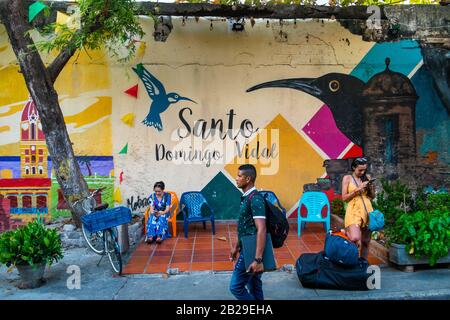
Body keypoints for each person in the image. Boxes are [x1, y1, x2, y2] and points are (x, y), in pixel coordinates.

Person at [229, 164, 267, 300]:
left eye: (239, 176)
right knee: (254, 285)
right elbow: (244, 227)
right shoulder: (246, 197)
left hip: (252, 251)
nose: (236, 178)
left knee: (236, 287)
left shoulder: (255, 198)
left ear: (248, 179)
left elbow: (261, 228)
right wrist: (236, 247)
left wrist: (257, 259)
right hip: (246, 246)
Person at [341, 157, 376, 259]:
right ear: (353, 168)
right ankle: (352, 262)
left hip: (367, 210)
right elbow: (344, 198)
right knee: (355, 238)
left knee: (365, 241)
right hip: (353, 210)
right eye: (360, 170)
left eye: (364, 169)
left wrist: (371, 189)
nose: (362, 172)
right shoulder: (347, 178)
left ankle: (363, 263)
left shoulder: (367, 177)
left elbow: (372, 197)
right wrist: (357, 189)